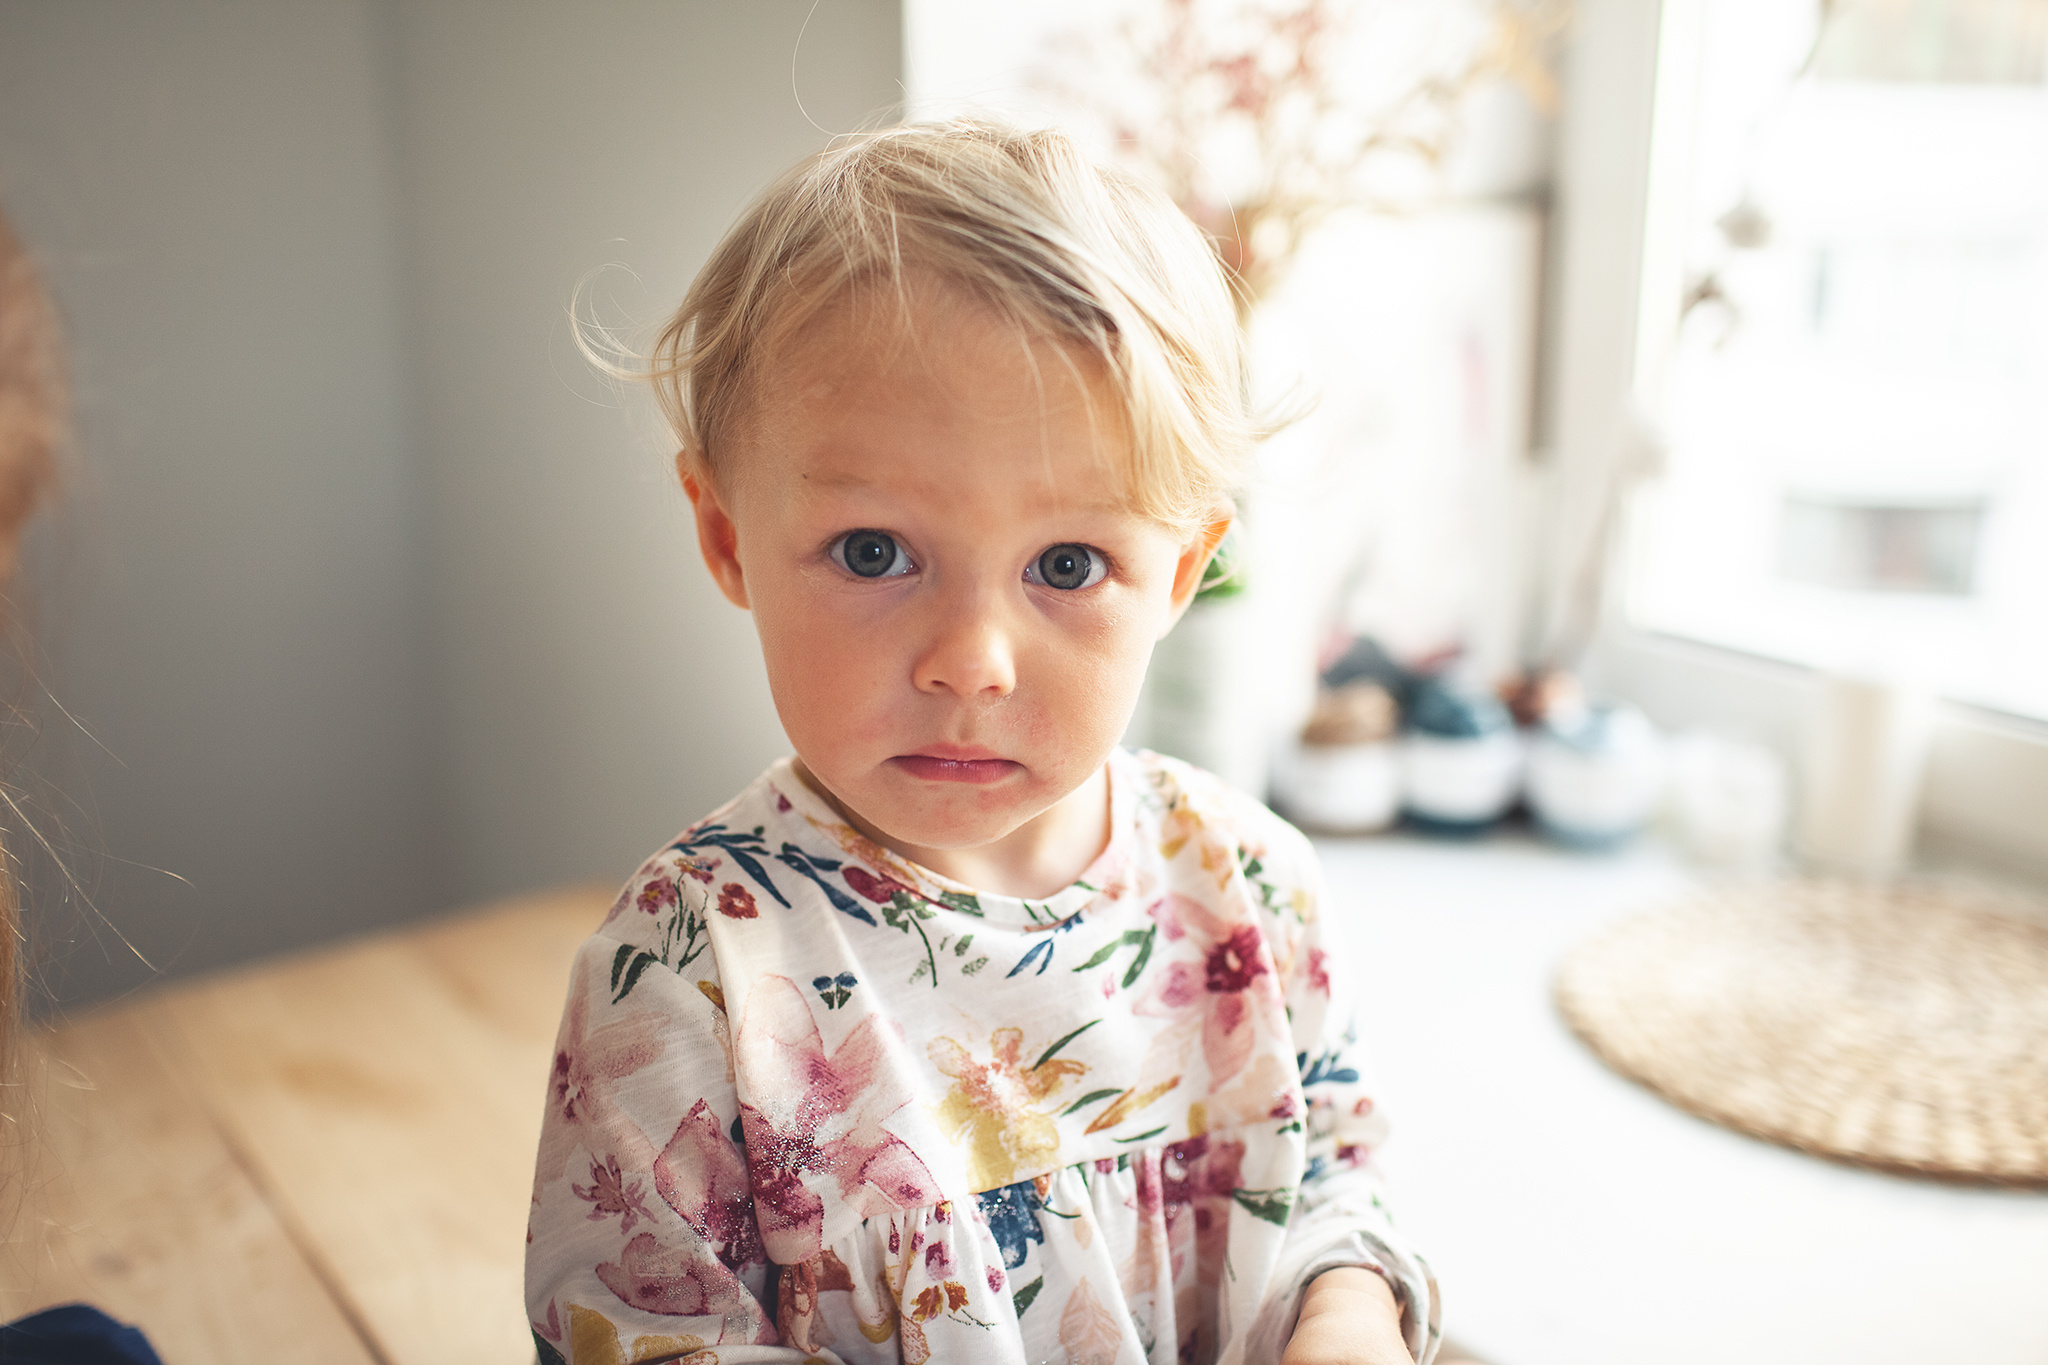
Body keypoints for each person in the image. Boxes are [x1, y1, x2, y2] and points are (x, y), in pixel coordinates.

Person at [525, 120, 1438, 1365]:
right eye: (871, 552)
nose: (972, 658)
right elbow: (638, 1333)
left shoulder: (1250, 885)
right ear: (728, 535)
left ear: (1183, 571)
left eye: (1066, 564)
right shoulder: (687, 970)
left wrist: (1344, 1312)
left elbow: (1334, 1171)